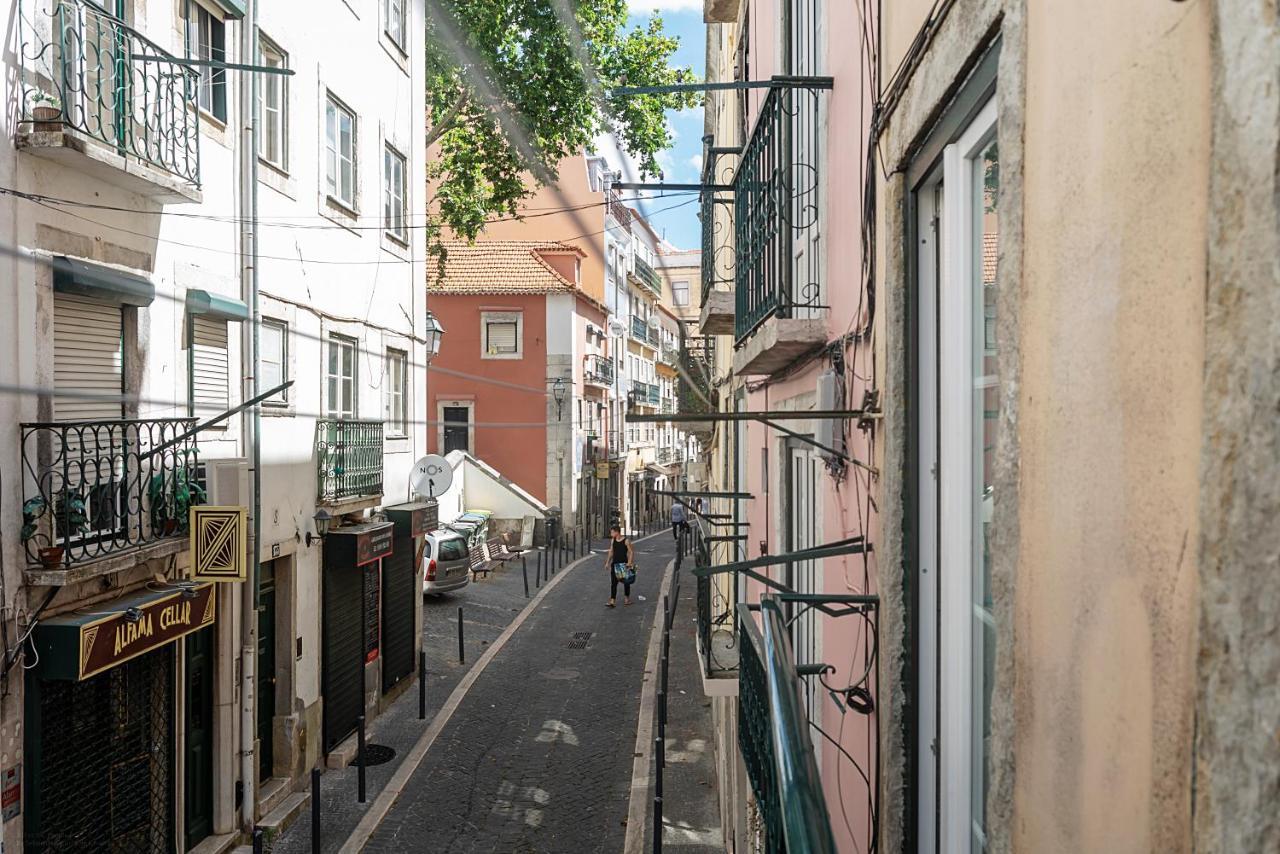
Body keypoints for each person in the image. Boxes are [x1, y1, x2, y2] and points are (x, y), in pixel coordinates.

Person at [605, 524, 634, 607]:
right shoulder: (613, 540)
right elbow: (611, 551)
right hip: (615, 564)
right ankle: (612, 601)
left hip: (624, 564)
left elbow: (631, 552)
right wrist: (607, 562)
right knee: (613, 583)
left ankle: (626, 599)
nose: (611, 534)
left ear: (617, 532)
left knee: (626, 582)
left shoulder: (626, 540)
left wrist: (629, 562)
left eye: (612, 532)